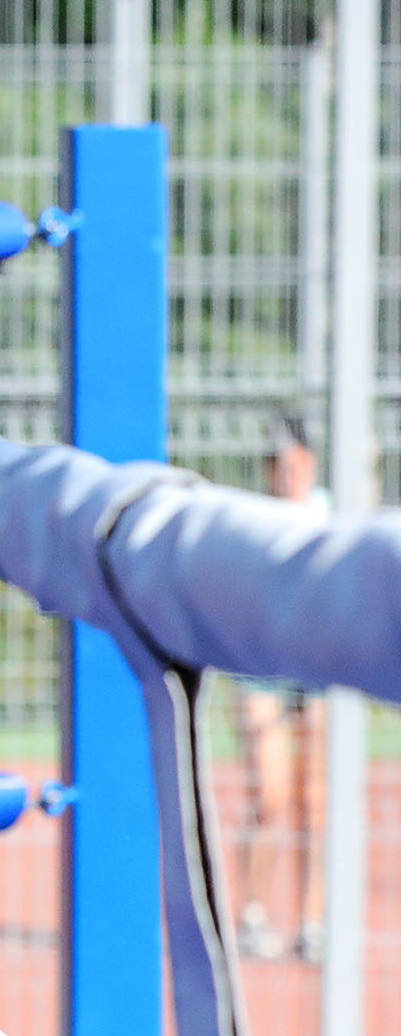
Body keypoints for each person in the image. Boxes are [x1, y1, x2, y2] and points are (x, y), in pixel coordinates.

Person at [233, 411, 330, 961]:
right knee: (268, 795)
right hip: (260, 666)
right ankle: (251, 913)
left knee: (313, 798)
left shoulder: (329, 516)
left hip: (317, 668)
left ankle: (311, 920)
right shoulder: (253, 520)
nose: (285, 473)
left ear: (310, 465)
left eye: (294, 463)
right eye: (275, 463)